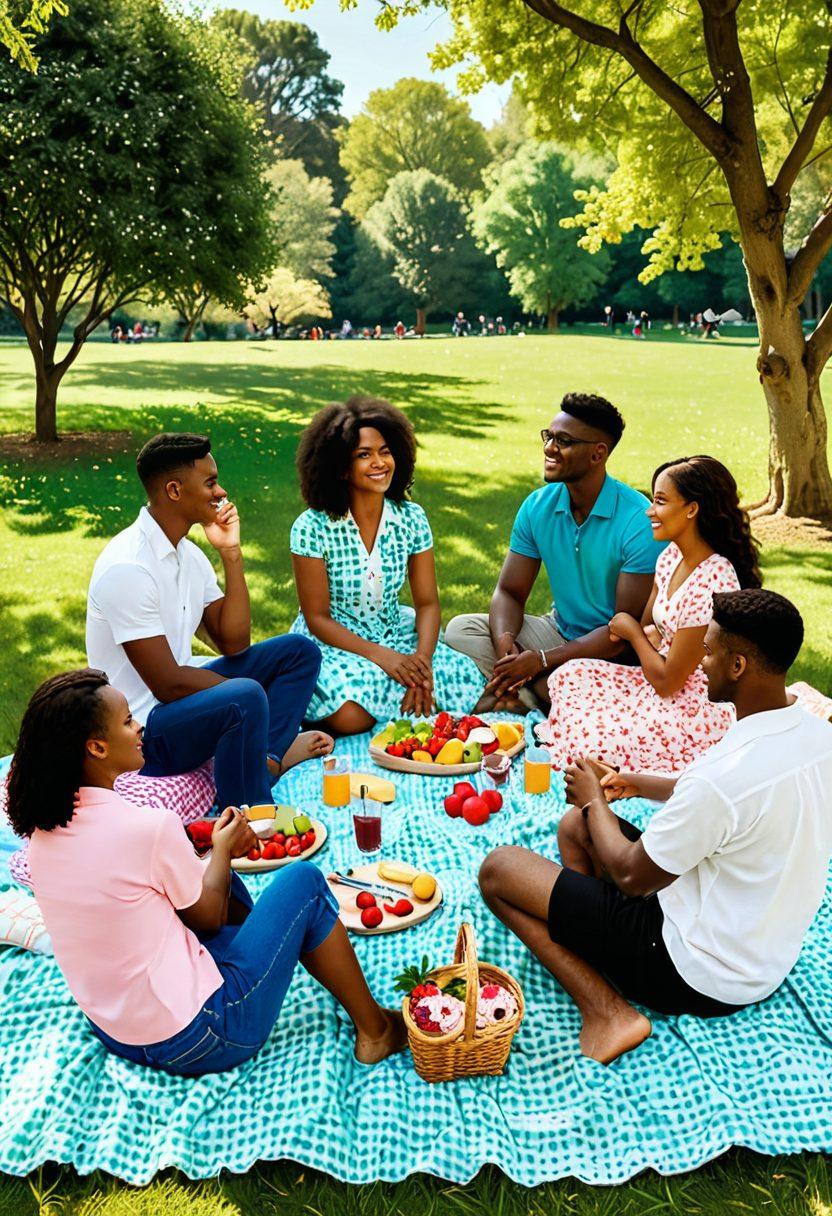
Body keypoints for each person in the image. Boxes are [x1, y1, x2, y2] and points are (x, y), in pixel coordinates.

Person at [479, 589, 832, 1065]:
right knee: (573, 829)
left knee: (500, 870)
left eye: (709, 651)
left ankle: (608, 1012)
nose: (698, 662)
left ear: (738, 666)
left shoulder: (723, 780)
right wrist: (636, 784)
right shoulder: (814, 734)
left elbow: (630, 873)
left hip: (694, 970)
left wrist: (594, 799)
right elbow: (732, 800)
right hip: (762, 955)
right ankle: (592, 936)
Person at [7, 670, 405, 1075]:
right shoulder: (147, 827)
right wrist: (222, 850)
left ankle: (265, 954)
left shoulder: (41, 837)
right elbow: (207, 916)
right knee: (302, 882)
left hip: (117, 1031)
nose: (140, 726)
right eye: (128, 721)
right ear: (97, 747)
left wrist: (210, 855)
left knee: (213, 880)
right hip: (203, 1036)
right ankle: (376, 1030)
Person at [86, 433, 332, 810]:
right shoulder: (128, 569)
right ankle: (252, 817)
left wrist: (231, 553)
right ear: (174, 490)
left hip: (179, 708)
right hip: (143, 735)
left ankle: (263, 761)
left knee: (298, 652)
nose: (221, 491)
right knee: (245, 697)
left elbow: (233, 642)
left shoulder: (189, 554)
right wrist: (252, 696)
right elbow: (168, 684)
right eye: (211, 482)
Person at [536, 455, 761, 772]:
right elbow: (649, 624)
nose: (649, 511)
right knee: (571, 676)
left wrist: (632, 633)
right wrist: (643, 633)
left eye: (660, 501)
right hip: (659, 673)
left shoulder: (713, 581)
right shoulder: (671, 556)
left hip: (694, 703)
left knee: (597, 740)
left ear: (691, 509)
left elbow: (669, 681)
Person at [445, 392, 664, 714]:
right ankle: (534, 689)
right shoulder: (538, 506)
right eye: (549, 436)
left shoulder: (637, 521)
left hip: (613, 651)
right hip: (557, 631)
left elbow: (623, 629)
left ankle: (535, 691)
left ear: (597, 454)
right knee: (461, 630)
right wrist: (506, 645)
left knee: (560, 681)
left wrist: (542, 661)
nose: (549, 448)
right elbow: (509, 591)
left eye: (564, 441)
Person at [289, 397, 484, 735]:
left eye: (385, 451)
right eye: (364, 455)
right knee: (349, 714)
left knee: (465, 679)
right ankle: (397, 701)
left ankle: (404, 696)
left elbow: (427, 603)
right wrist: (386, 660)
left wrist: (421, 664)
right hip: (337, 641)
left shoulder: (411, 518)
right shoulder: (311, 527)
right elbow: (317, 618)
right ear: (340, 467)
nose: (379, 462)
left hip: (396, 633)